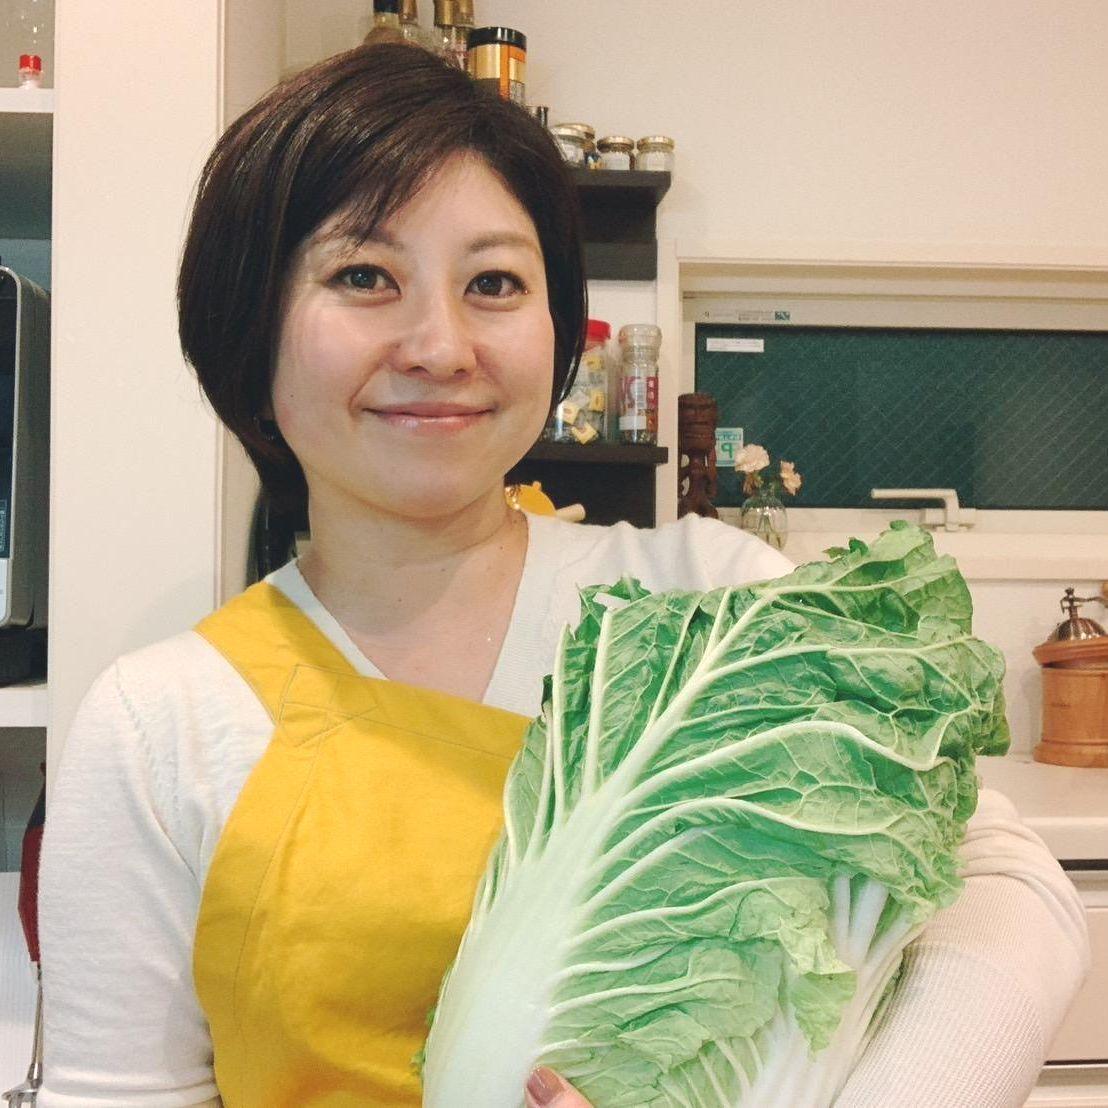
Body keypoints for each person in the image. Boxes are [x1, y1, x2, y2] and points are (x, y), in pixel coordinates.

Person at [38, 43, 1088, 1108]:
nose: (441, 346)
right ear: (248, 322)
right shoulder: (163, 725)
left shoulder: (711, 605)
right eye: (363, 277)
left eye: (493, 283)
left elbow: (1002, 889)